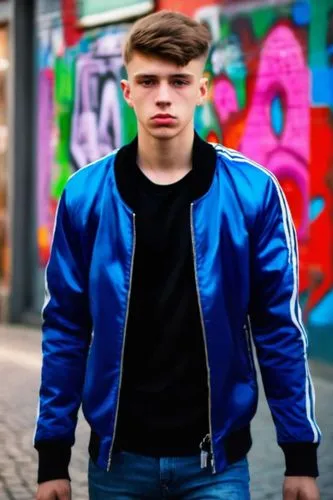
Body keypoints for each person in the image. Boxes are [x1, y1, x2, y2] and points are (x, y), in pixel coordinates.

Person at [34, 10, 321, 500]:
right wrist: (51, 460)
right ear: (127, 91)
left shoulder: (253, 192)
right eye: (147, 80)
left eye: (178, 81)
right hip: (117, 463)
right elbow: (67, 328)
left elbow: (278, 327)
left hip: (217, 466)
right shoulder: (84, 196)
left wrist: (301, 458)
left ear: (202, 89)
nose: (163, 96)